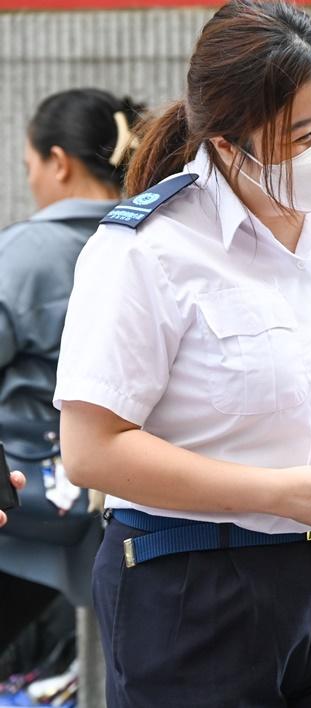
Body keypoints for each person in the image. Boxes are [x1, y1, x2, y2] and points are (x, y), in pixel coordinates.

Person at [53, 2, 311, 706]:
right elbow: (92, 450)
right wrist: (278, 493)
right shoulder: (151, 251)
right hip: (199, 585)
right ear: (229, 146)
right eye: (302, 134)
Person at [0, 88, 143, 658]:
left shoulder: (26, 254)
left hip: (19, 513)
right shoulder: (151, 241)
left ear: (58, 162)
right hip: (108, 516)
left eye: (30, 165)